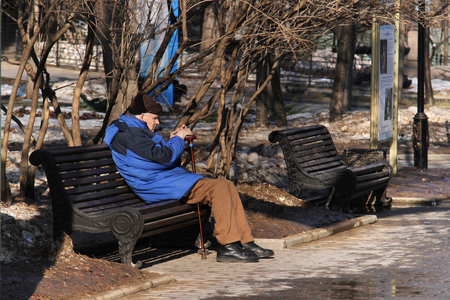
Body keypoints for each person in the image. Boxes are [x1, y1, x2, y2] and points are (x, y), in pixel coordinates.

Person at [104, 92, 274, 262]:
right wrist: (178, 139)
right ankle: (228, 246)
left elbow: (161, 159)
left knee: (226, 184)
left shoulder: (136, 131)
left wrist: (172, 141)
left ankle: (245, 242)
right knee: (219, 188)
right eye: (155, 118)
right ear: (142, 116)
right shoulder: (128, 135)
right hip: (153, 185)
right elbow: (164, 158)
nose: (158, 122)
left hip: (163, 180)